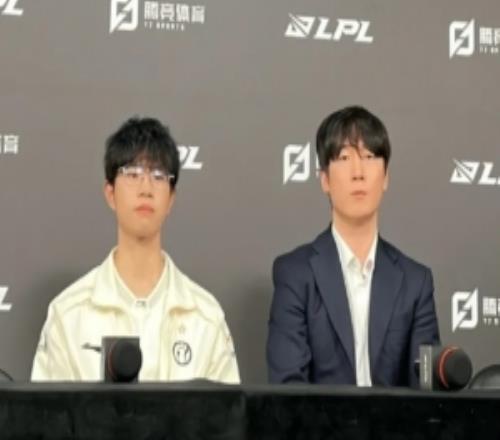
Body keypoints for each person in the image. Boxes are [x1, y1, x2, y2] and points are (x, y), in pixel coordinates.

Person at [32, 117, 239, 383]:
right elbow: (46, 409)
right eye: (132, 174)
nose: (146, 188)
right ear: (110, 193)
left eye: (158, 176)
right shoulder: (68, 313)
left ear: (171, 199)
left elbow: (226, 409)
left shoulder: (205, 316)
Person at [267, 106, 439, 387]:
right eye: (345, 158)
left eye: (369, 157)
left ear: (386, 177)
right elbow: (289, 390)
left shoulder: (415, 282)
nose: (358, 172)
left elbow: (426, 393)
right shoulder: (295, 274)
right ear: (324, 179)